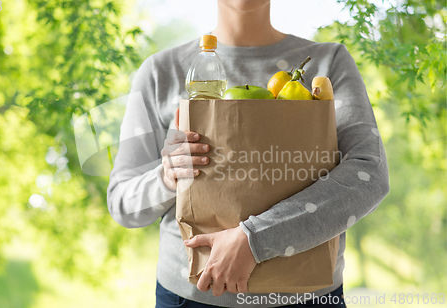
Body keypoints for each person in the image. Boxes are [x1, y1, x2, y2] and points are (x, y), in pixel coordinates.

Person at [107, 0, 390, 307]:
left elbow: (369, 174)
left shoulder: (327, 63)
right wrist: (167, 176)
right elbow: (121, 201)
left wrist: (255, 239)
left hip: (309, 297)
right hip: (189, 298)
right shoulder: (160, 71)